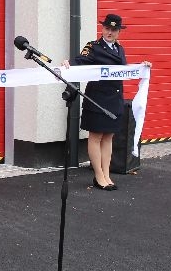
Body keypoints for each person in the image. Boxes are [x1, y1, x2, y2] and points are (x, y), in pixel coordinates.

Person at [62, 13, 150, 191]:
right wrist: (68, 63)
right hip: (98, 99)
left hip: (114, 99)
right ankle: (98, 175)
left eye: (114, 30)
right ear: (102, 29)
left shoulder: (119, 48)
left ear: (119, 32)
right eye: (107, 29)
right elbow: (80, 60)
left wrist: (142, 67)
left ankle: (106, 174)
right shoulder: (93, 47)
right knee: (96, 137)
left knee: (109, 136)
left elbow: (122, 70)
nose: (110, 32)